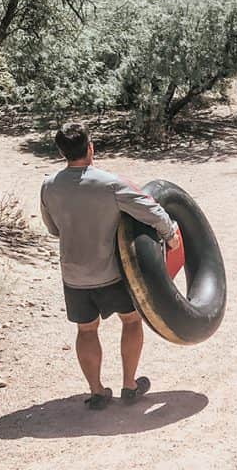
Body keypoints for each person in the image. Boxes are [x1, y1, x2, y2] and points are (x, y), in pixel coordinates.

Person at [40, 123, 181, 410]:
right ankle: (129, 385)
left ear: (61, 152)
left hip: (74, 275)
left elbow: (53, 229)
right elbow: (151, 209)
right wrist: (171, 235)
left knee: (86, 330)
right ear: (90, 148)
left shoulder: (49, 186)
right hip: (112, 272)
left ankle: (96, 392)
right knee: (130, 320)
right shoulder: (110, 183)